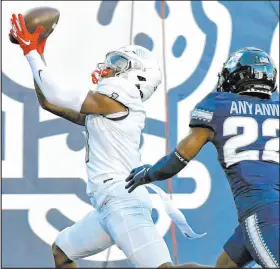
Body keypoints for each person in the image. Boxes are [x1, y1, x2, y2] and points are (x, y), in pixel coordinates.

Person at [10, 13, 212, 268]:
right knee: (61, 252)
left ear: (137, 75)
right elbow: (49, 102)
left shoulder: (120, 97)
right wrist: (38, 53)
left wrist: (31, 52)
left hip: (122, 203)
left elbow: (56, 93)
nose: (110, 66)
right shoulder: (107, 112)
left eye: (119, 62)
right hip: (108, 205)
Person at [125, 47, 280, 268]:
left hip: (262, 213)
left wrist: (149, 173)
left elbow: (178, 160)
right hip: (265, 211)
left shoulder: (218, 106)